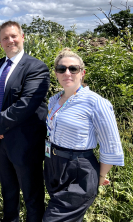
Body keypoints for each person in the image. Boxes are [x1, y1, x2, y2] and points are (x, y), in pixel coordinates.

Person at [0, 21, 50, 222]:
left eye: (13, 36)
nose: (10, 41)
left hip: (25, 143)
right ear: (0, 42)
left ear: (22, 37)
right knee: (8, 193)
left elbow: (27, 103)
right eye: (5, 38)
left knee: (32, 196)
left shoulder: (36, 67)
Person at [43, 48, 124, 222]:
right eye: (61, 69)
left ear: (82, 73)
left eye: (73, 68)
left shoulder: (96, 103)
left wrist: (100, 177)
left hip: (78, 170)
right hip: (54, 164)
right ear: (55, 73)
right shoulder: (54, 100)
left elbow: (111, 146)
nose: (67, 73)